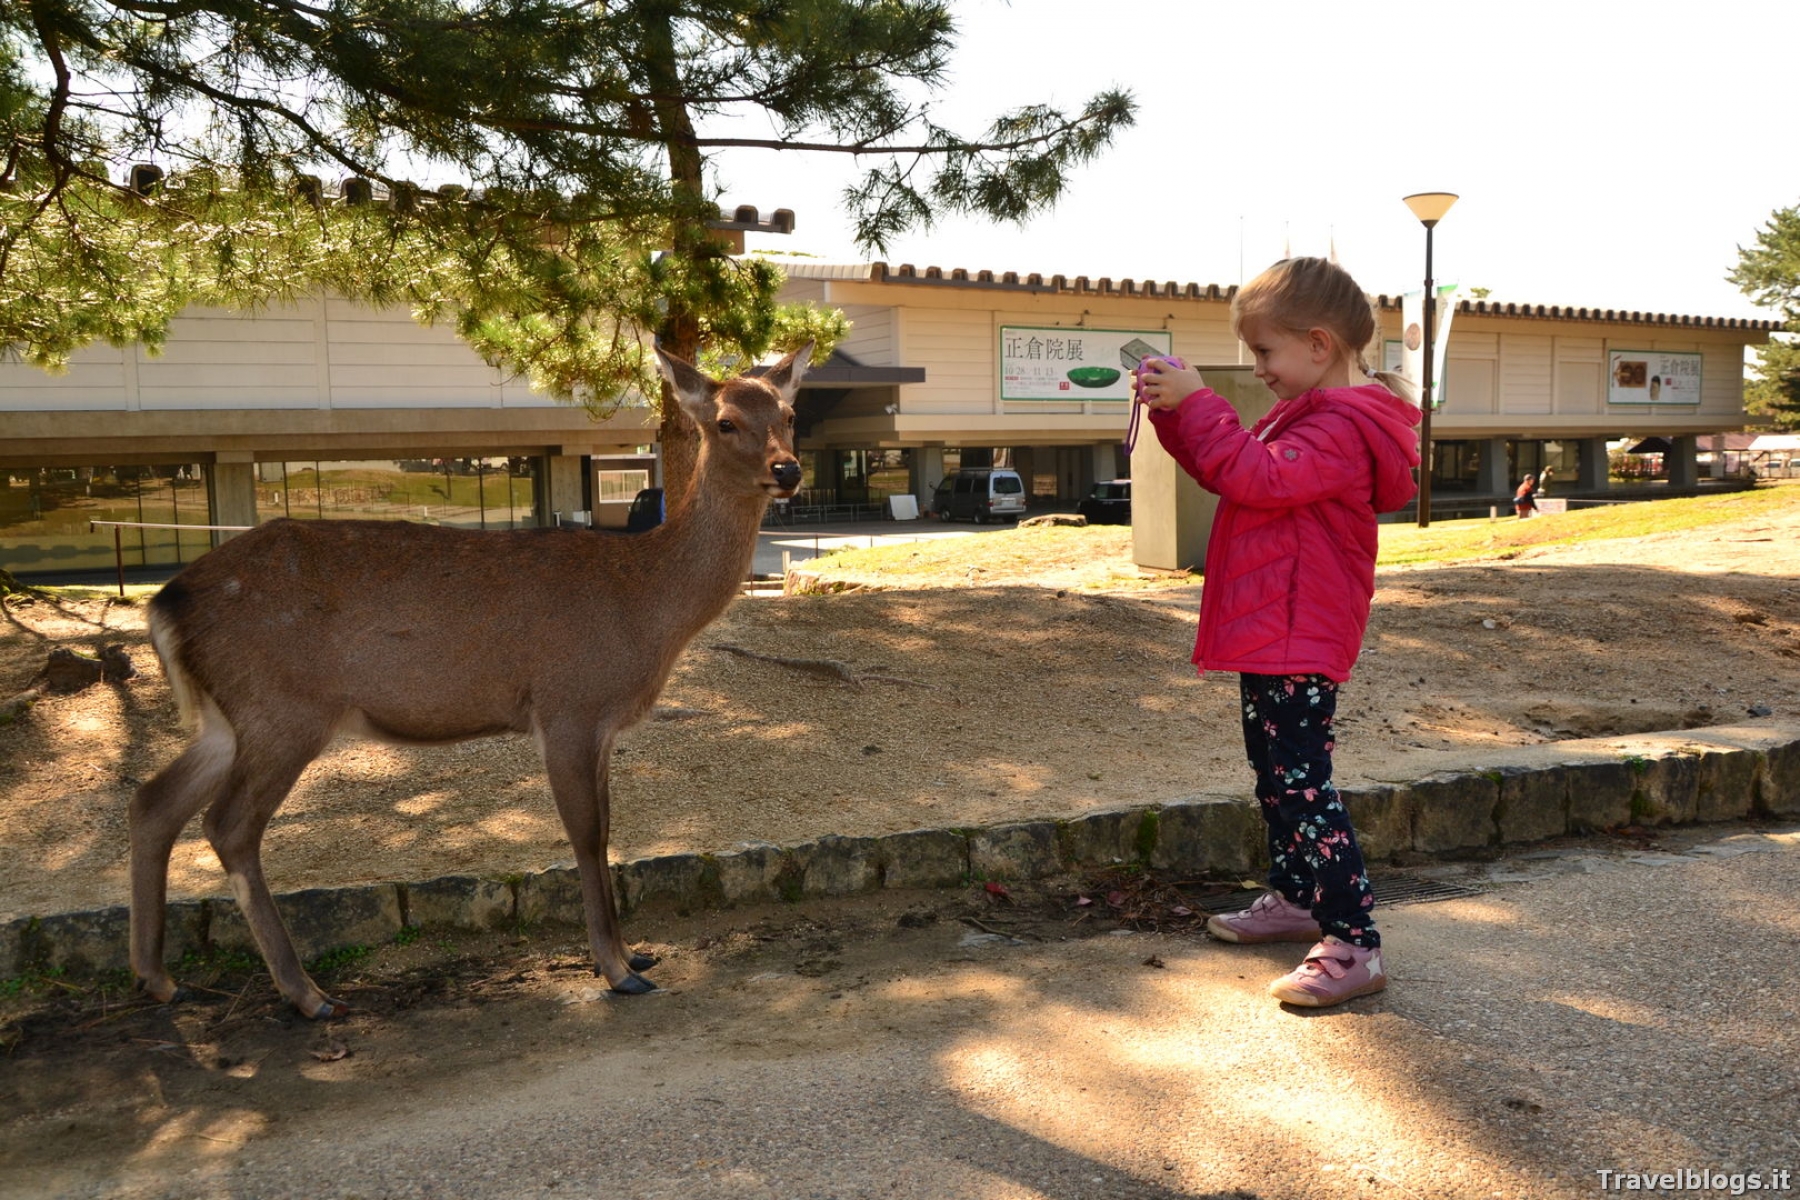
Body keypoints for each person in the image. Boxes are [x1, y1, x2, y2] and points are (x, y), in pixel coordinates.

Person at [1133, 256, 1421, 1008]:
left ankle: (1354, 941)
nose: (1258, 368)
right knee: (1275, 773)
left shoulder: (1342, 426)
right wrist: (1176, 412)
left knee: (1303, 784)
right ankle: (1297, 898)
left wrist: (1200, 403)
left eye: (1265, 351)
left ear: (1319, 345)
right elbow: (1227, 469)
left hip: (1302, 629)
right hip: (1276, 626)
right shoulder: (1307, 415)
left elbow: (1256, 476)